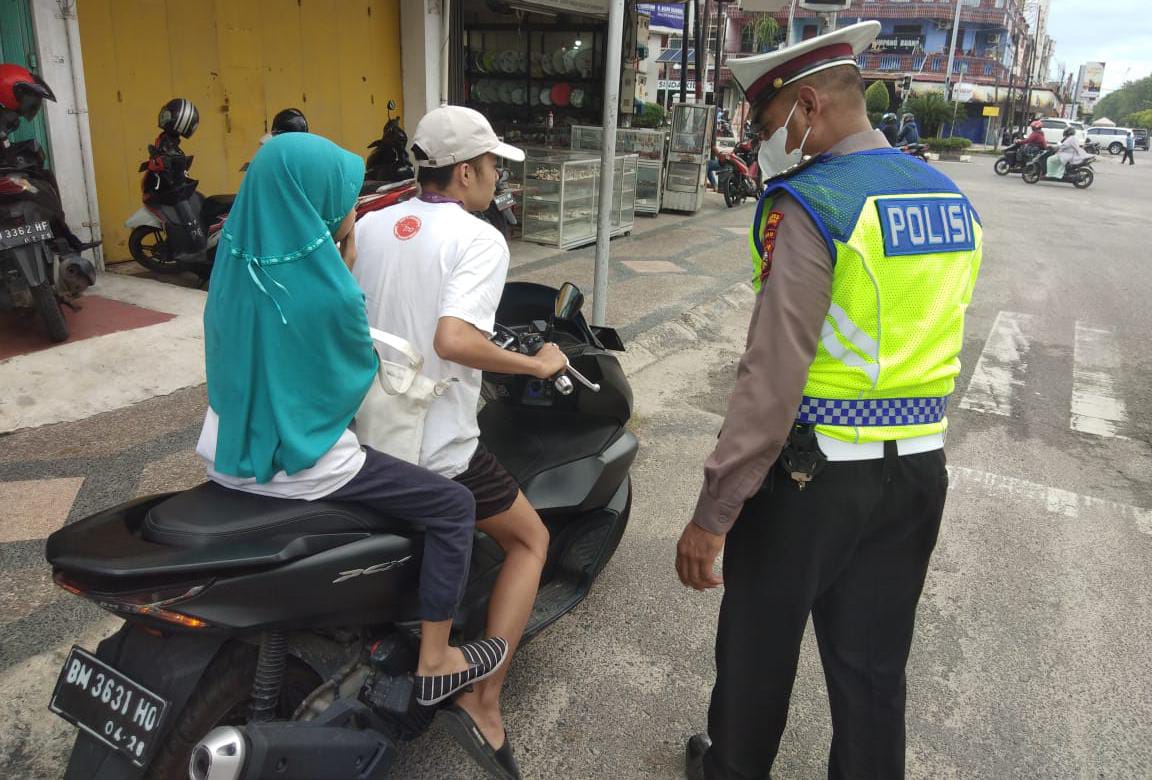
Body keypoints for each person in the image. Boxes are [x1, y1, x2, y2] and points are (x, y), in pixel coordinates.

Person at [678, 20, 983, 779]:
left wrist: (713, 513)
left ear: (809, 106)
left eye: (766, 119)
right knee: (874, 670)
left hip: (809, 483)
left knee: (758, 654)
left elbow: (771, 377)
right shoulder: (950, 198)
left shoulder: (812, 204)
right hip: (916, 472)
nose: (758, 139)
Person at [197, 131, 509, 711]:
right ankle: (438, 658)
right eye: (342, 199)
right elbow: (351, 385)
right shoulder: (327, 289)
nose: (350, 209)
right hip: (304, 460)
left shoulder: (235, 272)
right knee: (453, 505)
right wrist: (345, 267)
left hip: (225, 450)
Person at [352, 106, 565, 779]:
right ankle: (484, 700)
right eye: (494, 166)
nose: (498, 177)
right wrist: (536, 364)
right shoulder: (479, 240)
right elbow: (453, 339)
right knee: (532, 540)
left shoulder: (371, 221)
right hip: (434, 447)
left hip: (364, 436)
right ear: (467, 171)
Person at [0, 63, 96, 254]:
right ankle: (63, 238)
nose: (31, 104)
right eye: (28, 98)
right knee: (36, 190)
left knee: (42, 182)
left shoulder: (7, 119)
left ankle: (63, 238)